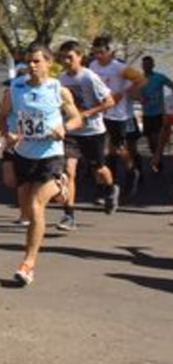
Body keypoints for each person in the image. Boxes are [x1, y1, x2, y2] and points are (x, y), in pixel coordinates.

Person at [0, 44, 82, 286]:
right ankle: (60, 185)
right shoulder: (16, 89)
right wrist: (8, 135)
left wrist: (64, 128)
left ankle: (28, 264)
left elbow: (77, 118)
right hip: (24, 155)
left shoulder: (58, 90)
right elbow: (2, 117)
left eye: (36, 61)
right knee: (25, 210)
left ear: (48, 62)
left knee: (36, 206)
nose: (31, 66)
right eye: (28, 62)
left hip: (51, 155)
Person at [57, 40, 116, 230]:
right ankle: (69, 215)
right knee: (69, 171)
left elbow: (109, 102)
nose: (66, 61)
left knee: (99, 169)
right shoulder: (61, 80)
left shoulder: (89, 78)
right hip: (72, 131)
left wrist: (88, 113)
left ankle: (110, 189)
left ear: (80, 57)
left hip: (93, 131)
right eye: (63, 57)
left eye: (70, 57)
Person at [89, 35, 145, 201]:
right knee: (100, 150)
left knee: (118, 148)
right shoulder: (92, 65)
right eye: (95, 52)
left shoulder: (119, 68)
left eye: (101, 52)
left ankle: (131, 171)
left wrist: (123, 93)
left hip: (118, 114)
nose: (98, 56)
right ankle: (104, 187)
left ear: (110, 52)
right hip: (100, 112)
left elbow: (141, 80)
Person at [132, 55, 173, 172]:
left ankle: (157, 160)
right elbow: (132, 93)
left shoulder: (159, 77)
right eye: (144, 64)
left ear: (153, 65)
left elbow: (171, 85)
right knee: (150, 140)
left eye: (148, 64)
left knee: (156, 137)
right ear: (142, 66)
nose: (146, 66)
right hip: (147, 113)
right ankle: (157, 157)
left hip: (159, 113)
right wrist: (139, 98)